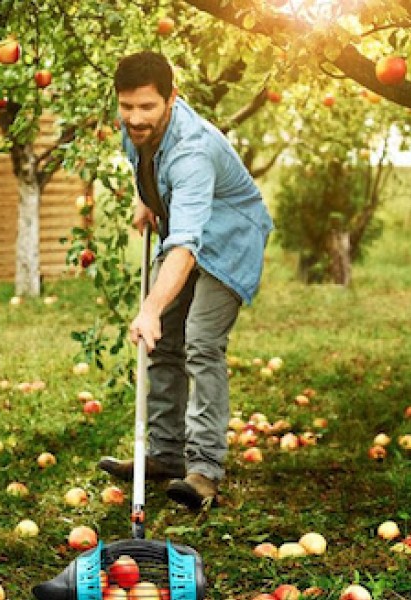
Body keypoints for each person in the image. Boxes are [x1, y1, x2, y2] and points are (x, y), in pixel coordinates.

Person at [97, 51, 274, 511]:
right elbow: (147, 167)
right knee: (162, 343)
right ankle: (164, 453)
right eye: (127, 106)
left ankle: (204, 470)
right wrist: (145, 197)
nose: (135, 118)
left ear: (171, 98)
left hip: (228, 239)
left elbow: (186, 246)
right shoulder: (133, 128)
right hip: (186, 231)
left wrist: (151, 309)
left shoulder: (192, 151)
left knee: (200, 341)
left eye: (147, 107)